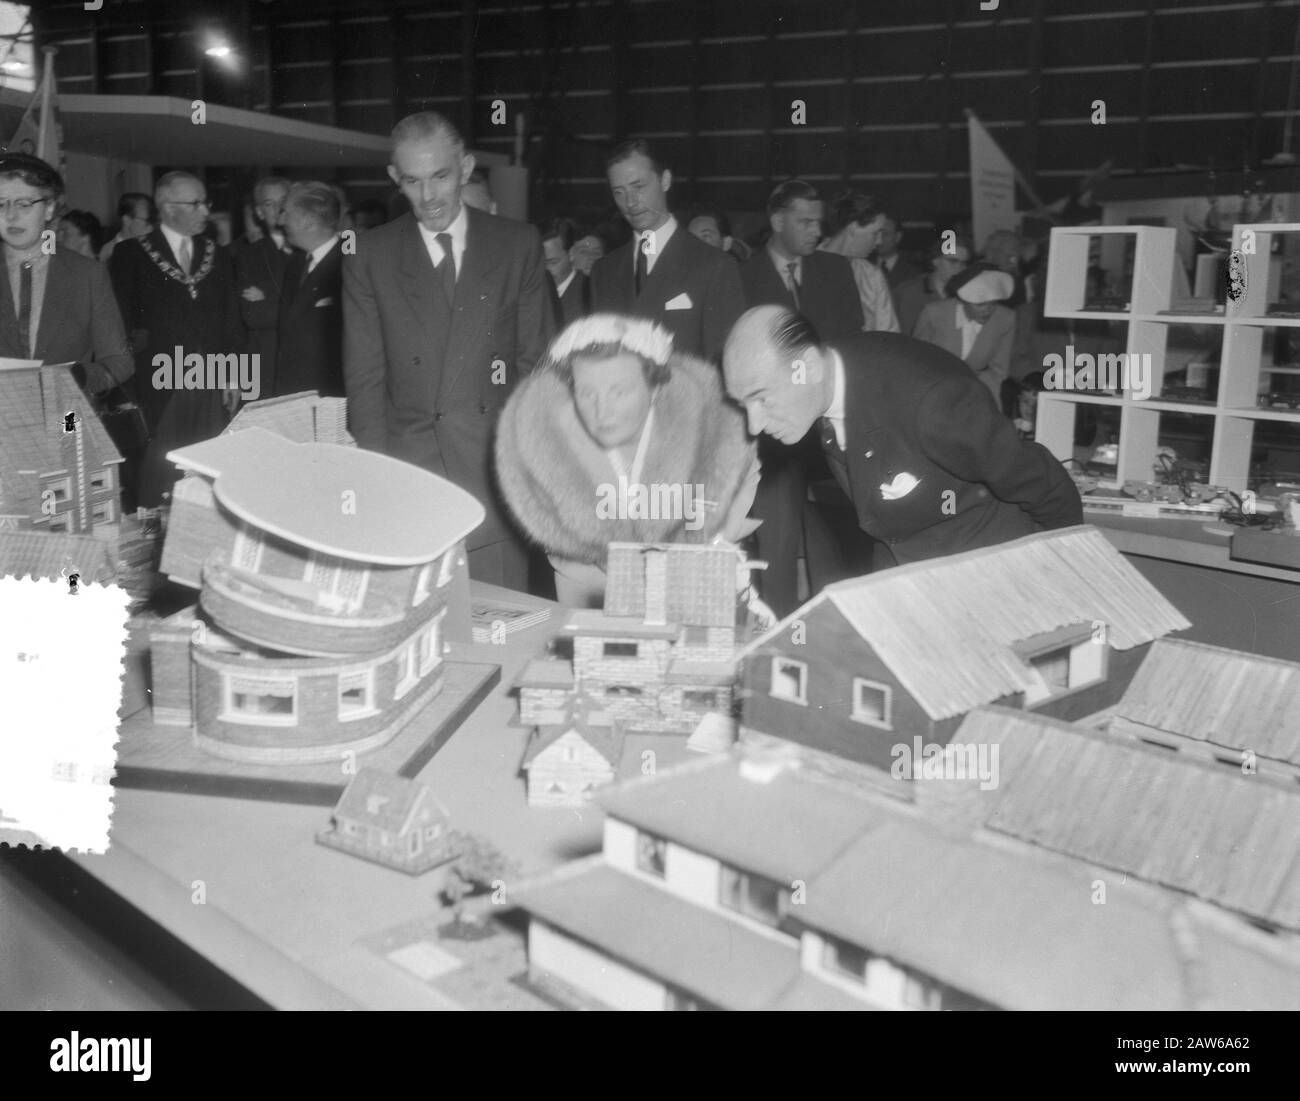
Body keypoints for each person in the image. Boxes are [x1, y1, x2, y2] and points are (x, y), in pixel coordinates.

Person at [343, 110, 554, 590]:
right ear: (395, 179)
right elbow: (365, 379)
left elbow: (534, 368)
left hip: (494, 471)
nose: (429, 196)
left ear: (465, 167)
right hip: (411, 472)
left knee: (497, 626)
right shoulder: (369, 255)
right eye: (413, 181)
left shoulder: (517, 244)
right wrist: (380, 478)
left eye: (440, 176)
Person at [722, 305, 1082, 572]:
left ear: (809, 367)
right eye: (743, 404)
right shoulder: (824, 381)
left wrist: (1074, 566)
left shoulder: (932, 402)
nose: (754, 425)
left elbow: (1039, 480)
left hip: (989, 566)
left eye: (761, 397)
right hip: (907, 565)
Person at [495, 314, 759, 607]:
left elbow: (738, 483)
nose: (602, 410)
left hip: (684, 577)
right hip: (586, 583)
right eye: (587, 393)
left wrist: (711, 538)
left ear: (655, 388)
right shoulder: (549, 440)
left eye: (619, 392)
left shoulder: (703, 428)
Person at [739, 178, 863, 618]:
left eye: (818, 221)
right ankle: (777, 627)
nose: (816, 230)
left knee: (837, 533)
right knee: (778, 540)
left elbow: (851, 343)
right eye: (804, 221)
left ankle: (835, 623)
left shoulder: (837, 270)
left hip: (829, 424)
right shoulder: (741, 276)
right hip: (775, 435)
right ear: (776, 221)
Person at [109, 170, 245, 506]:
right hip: (160, 378)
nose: (205, 211)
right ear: (168, 207)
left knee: (210, 465)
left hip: (211, 377)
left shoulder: (219, 253)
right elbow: (123, 324)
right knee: (161, 468)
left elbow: (232, 319)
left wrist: (236, 376)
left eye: (206, 202)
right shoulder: (131, 253)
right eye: (196, 203)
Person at [588, 139, 746, 362]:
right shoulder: (603, 271)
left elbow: (726, 363)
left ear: (665, 180)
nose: (630, 202)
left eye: (638, 187)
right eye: (619, 192)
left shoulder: (715, 265)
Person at [0, 154, 131, 394]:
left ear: (49, 207)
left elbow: (119, 361)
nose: (11, 215)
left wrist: (75, 379)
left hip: (66, 417)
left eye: (23, 204)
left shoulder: (87, 274)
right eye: (1, 203)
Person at [275, 181, 344, 398]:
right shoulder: (295, 265)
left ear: (308, 221)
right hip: (292, 396)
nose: (279, 221)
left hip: (331, 400)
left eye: (285, 212)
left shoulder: (352, 266)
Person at [913, 263, 1016, 403]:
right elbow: (916, 362)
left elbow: (999, 372)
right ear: (962, 301)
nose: (988, 311)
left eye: (993, 304)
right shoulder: (933, 314)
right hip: (933, 390)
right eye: (980, 305)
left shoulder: (1005, 319)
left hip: (977, 393)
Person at [233, 176, 294, 391]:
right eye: (269, 204)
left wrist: (268, 300)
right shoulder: (248, 256)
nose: (278, 208)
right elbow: (254, 316)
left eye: (284, 200)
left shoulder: (314, 248)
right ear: (259, 212)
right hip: (268, 367)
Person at [815, 189, 899, 333]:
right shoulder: (804, 268)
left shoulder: (872, 276)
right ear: (853, 227)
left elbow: (889, 335)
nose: (879, 241)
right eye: (875, 233)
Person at [892, 233, 973, 336]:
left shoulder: (967, 293)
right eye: (953, 261)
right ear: (935, 261)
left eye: (964, 263)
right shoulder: (911, 292)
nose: (960, 269)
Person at [540, 216, 590, 326]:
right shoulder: (529, 292)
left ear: (571, 253)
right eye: (538, 264)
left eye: (552, 263)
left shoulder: (590, 293)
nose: (545, 271)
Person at [98, 192, 154, 263]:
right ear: (127, 220)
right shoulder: (109, 253)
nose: (151, 227)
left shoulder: (153, 247)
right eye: (147, 221)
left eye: (152, 221)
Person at [871, 214, 922, 289]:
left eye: (885, 234)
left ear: (898, 237)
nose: (879, 239)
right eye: (876, 234)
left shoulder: (913, 273)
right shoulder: (862, 267)